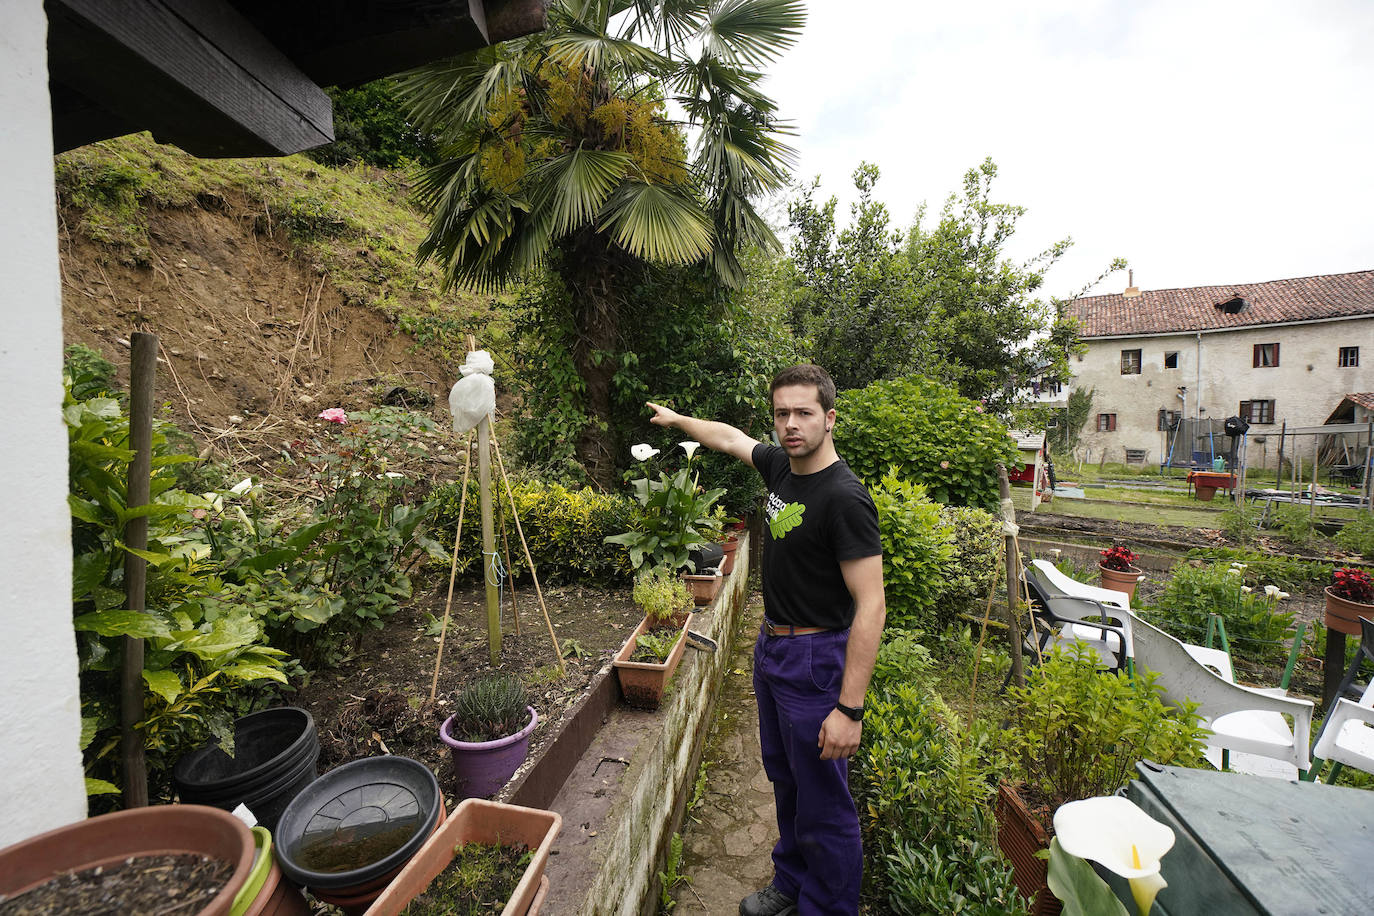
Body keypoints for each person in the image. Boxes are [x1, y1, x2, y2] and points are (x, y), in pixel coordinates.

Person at [647, 364, 885, 916]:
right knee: (785, 778)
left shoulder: (844, 498)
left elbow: (872, 604)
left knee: (825, 803)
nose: (791, 424)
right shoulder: (782, 466)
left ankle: (826, 908)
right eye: (782, 414)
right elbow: (730, 437)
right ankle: (792, 881)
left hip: (816, 657)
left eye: (804, 413)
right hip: (773, 647)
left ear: (830, 418)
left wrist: (849, 708)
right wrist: (678, 419)